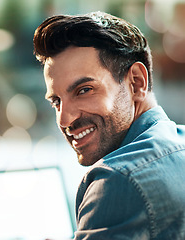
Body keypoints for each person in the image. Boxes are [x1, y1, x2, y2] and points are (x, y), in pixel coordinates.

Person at [33, 11, 185, 239]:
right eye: (56, 101)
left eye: (84, 90)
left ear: (136, 82)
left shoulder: (118, 180)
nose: (64, 119)